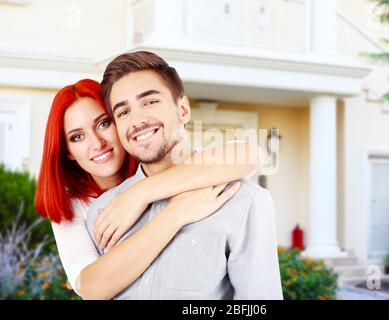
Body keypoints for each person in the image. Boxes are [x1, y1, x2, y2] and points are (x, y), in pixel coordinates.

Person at [35, 79, 263, 300]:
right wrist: (176, 213)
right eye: (78, 137)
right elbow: (90, 287)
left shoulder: (155, 158)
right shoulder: (77, 206)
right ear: (67, 152)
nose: (97, 143)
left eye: (104, 124)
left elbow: (251, 155)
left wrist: (139, 193)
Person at [86, 51, 283, 299]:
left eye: (149, 102)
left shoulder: (244, 201)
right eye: (123, 112)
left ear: (183, 109)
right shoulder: (103, 212)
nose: (137, 120)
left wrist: (140, 192)